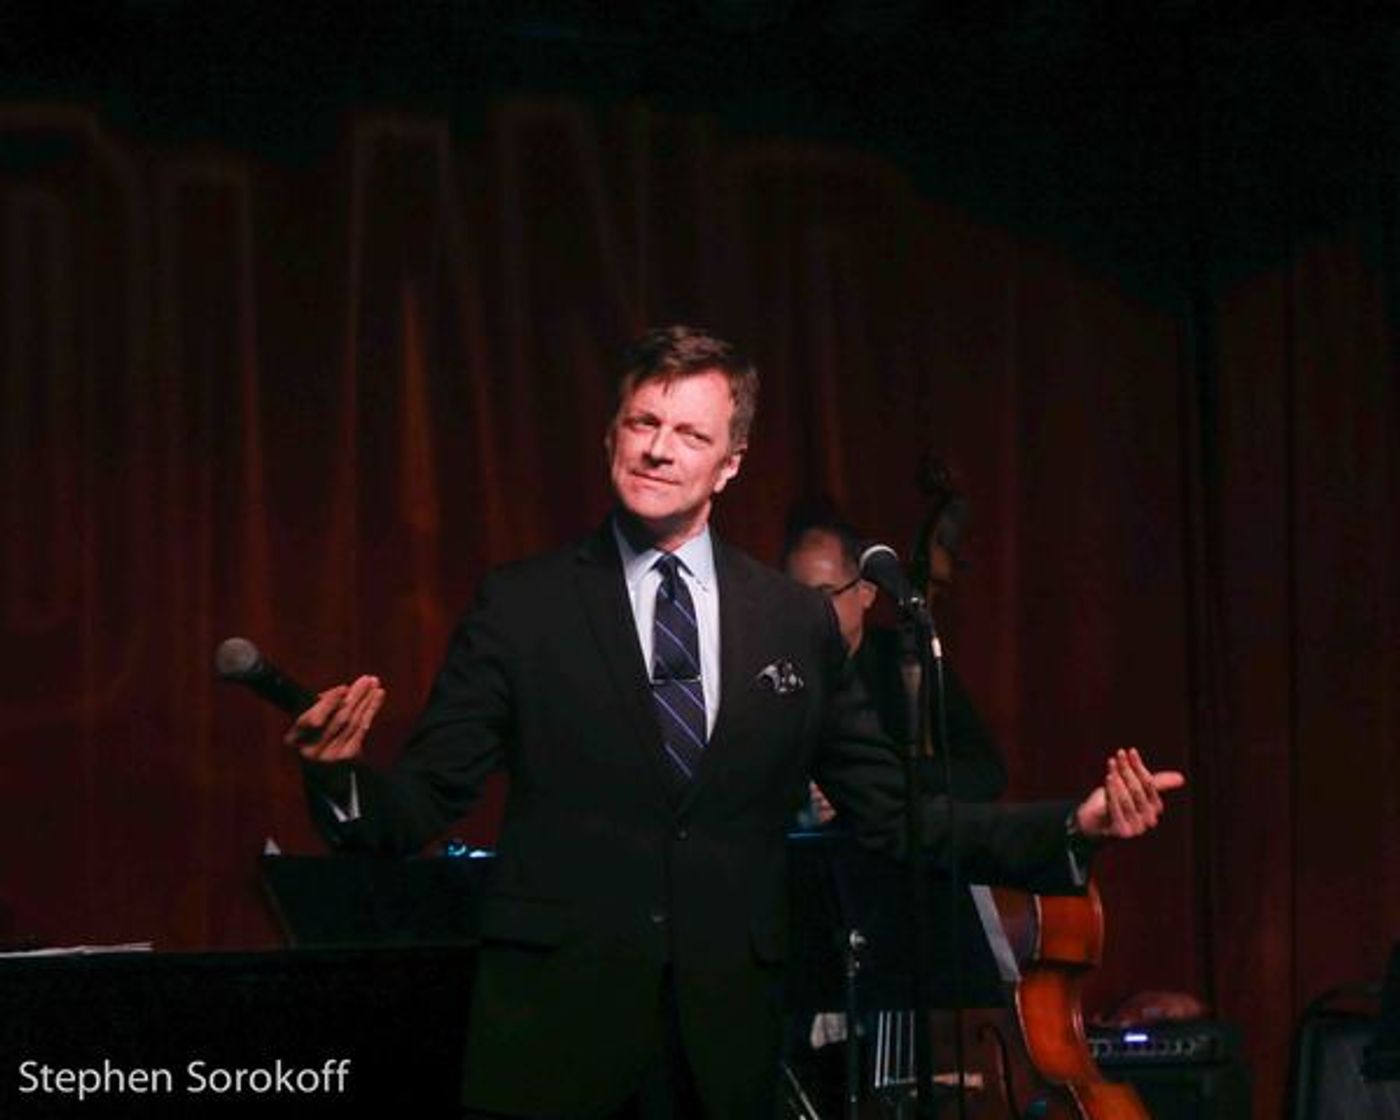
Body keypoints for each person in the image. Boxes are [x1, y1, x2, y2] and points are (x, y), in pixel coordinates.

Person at [289, 325, 1184, 1119]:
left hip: (726, 1053)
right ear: (611, 436)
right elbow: (422, 801)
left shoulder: (791, 620)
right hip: (553, 1041)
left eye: (689, 434)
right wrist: (338, 778)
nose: (658, 451)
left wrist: (1074, 822)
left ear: (731, 462)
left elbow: (894, 815)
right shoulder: (523, 607)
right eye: (643, 424)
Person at [781, 509, 1007, 804]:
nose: (811, 612)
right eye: (797, 597)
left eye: (826, 594)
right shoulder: (778, 671)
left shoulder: (905, 660)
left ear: (866, 593)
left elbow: (986, 773)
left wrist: (883, 783)